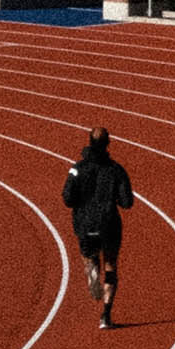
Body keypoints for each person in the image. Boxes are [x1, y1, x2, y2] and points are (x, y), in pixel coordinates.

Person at [62, 126, 134, 329]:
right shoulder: (116, 170)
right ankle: (105, 315)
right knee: (111, 265)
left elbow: (67, 198)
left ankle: (92, 269)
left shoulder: (76, 168)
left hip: (84, 223)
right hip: (109, 224)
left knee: (90, 256)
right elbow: (127, 202)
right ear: (108, 144)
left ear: (89, 143)